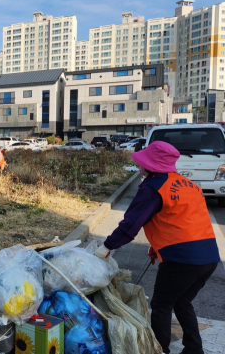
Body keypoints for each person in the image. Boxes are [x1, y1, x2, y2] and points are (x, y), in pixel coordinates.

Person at [94, 141, 220, 354]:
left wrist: (107, 246)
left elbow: (131, 224)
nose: (139, 165)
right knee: (182, 302)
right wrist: (158, 247)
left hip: (182, 260)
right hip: (209, 257)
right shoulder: (188, 184)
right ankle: (194, 349)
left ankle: (159, 350)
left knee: (161, 306)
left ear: (150, 165)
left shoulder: (154, 188)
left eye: (142, 161)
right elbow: (183, 221)